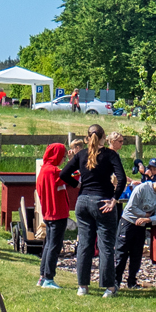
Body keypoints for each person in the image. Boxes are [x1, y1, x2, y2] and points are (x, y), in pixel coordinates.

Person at [59, 123, 126, 297]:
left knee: (85, 245)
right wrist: (114, 199)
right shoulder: (110, 155)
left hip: (83, 202)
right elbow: (122, 178)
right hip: (103, 201)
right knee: (105, 245)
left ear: (87, 138)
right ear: (104, 137)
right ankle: (109, 288)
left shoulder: (81, 154)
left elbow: (64, 174)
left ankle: (82, 286)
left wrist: (78, 184)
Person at [115, 173, 156, 290]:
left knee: (136, 254)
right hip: (128, 222)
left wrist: (147, 219)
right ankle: (115, 281)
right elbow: (131, 207)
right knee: (121, 253)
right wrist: (145, 214)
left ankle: (132, 282)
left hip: (141, 225)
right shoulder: (142, 188)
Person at [35, 143, 70, 288]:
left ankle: (42, 276)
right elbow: (71, 176)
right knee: (54, 246)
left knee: (48, 245)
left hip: (48, 213)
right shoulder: (55, 171)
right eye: (62, 156)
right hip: (58, 213)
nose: (63, 160)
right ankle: (49, 278)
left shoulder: (44, 170)